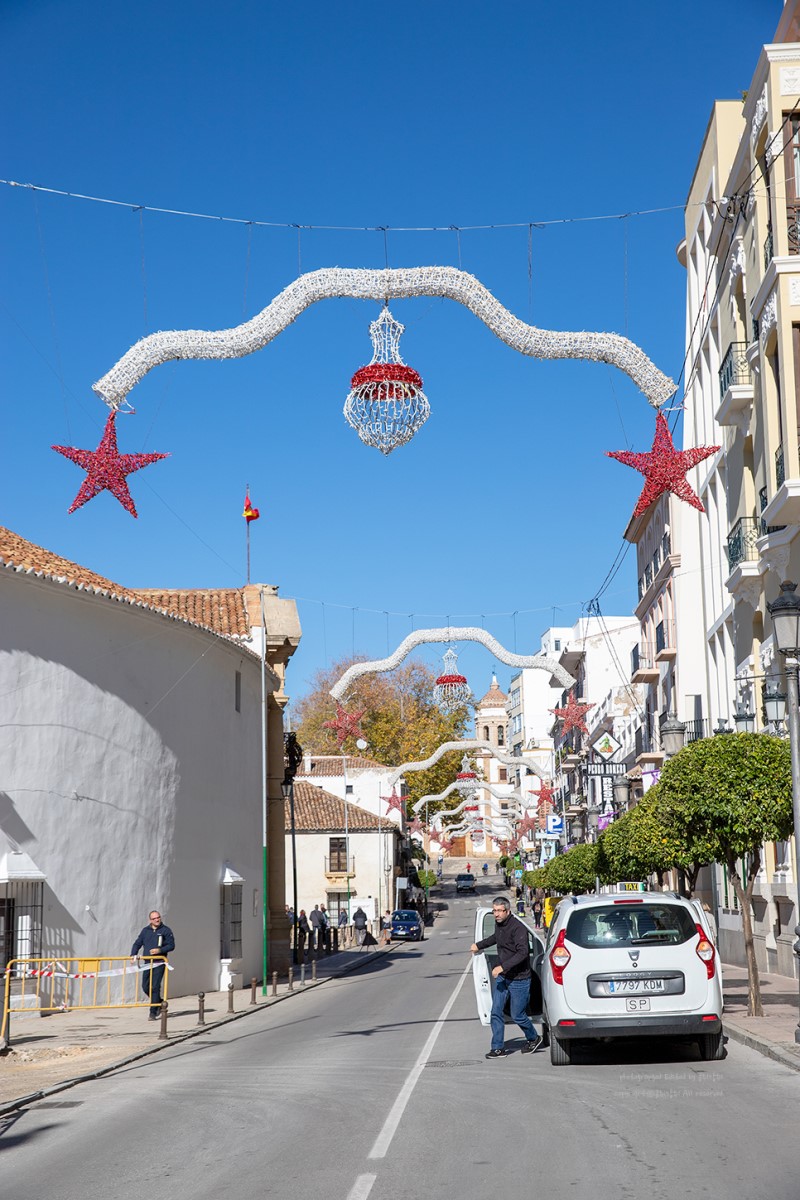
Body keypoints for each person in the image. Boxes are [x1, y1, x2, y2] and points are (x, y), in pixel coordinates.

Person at [470, 896, 541, 1059]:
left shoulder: (517, 928)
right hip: (504, 978)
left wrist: (502, 967)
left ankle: (533, 1037)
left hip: (520, 979)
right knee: (496, 1011)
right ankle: (497, 1048)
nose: (496, 914)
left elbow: (523, 953)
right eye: (494, 910)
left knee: (518, 1015)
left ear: (507, 911)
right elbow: (496, 938)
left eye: (499, 911)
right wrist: (479, 945)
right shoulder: (499, 925)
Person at [130, 910, 175, 1020]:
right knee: (145, 987)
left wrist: (160, 950)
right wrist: (133, 954)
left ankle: (152, 1012)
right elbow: (137, 943)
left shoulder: (166, 930)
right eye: (154, 918)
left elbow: (171, 945)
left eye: (158, 917)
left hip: (159, 962)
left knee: (155, 987)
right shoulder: (145, 931)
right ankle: (159, 1003)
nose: (157, 920)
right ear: (150, 920)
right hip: (147, 963)